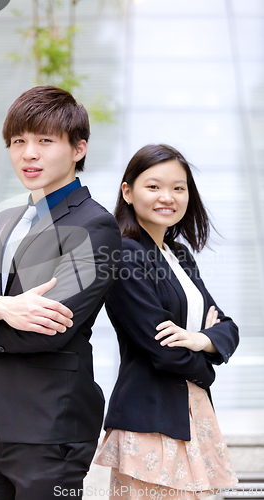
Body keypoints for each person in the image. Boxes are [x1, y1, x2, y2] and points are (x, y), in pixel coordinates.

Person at [0, 85, 121, 500]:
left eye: (44, 141)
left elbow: (49, 328)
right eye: (18, 141)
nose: (28, 153)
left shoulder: (95, 226)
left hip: (52, 426)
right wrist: (2, 306)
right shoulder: (5, 222)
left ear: (78, 149)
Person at [94, 144, 239, 499]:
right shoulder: (125, 253)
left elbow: (228, 327)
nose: (168, 197)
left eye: (178, 187)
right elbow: (164, 351)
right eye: (153, 186)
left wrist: (201, 339)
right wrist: (207, 369)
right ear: (127, 192)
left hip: (192, 413)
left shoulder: (179, 255)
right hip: (150, 418)